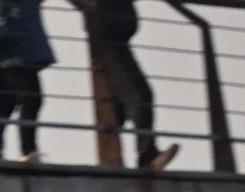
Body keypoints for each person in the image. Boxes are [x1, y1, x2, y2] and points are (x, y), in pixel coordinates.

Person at [73, 0, 178, 170]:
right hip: (109, 45)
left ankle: (113, 159)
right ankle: (146, 156)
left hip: (116, 42)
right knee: (140, 95)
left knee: (120, 106)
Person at [0, 0, 53, 162]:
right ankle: (26, 150)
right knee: (29, 98)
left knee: (10, 101)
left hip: (17, 47)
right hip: (13, 49)